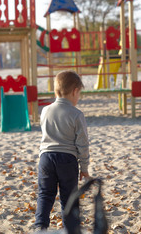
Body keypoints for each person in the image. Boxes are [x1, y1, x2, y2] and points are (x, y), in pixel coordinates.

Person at [34, 70, 90, 231]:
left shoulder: (45, 111)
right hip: (67, 160)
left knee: (45, 194)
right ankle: (71, 229)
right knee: (69, 198)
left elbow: (45, 134)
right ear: (75, 91)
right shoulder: (76, 114)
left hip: (46, 158)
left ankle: (40, 227)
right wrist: (84, 168)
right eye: (79, 93)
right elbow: (83, 145)